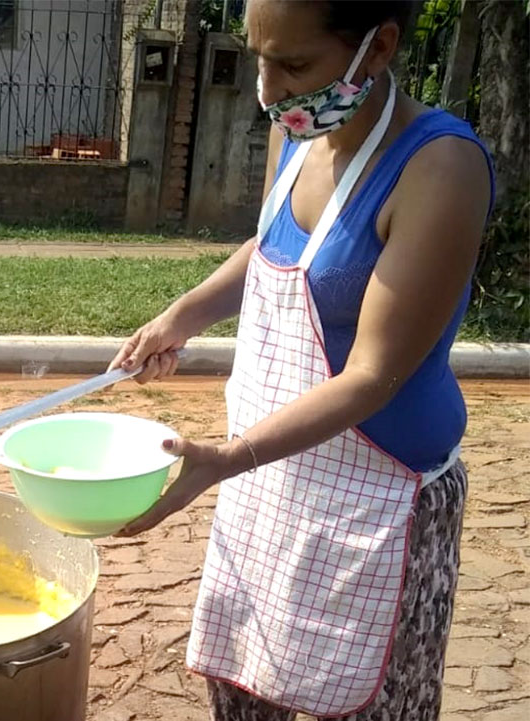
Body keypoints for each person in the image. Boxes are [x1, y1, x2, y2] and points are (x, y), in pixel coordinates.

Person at [108, 1, 494, 719]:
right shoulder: (297, 133)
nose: (268, 88)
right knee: (246, 692)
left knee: (375, 703)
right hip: (273, 479)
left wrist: (228, 458)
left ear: (378, 47)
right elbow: (272, 248)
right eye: (259, 57)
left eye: (293, 64)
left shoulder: (440, 167)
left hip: (380, 501)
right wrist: (180, 316)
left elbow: (372, 375)